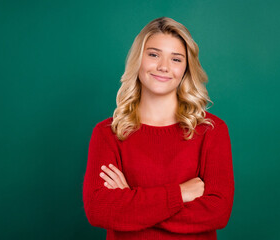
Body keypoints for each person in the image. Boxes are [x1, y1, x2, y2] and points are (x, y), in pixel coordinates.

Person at [82, 16, 235, 240]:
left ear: (186, 68)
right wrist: (180, 193)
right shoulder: (108, 133)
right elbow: (99, 211)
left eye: (176, 59)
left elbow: (217, 214)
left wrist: (132, 202)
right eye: (153, 54)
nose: (163, 67)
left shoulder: (211, 130)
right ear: (138, 60)